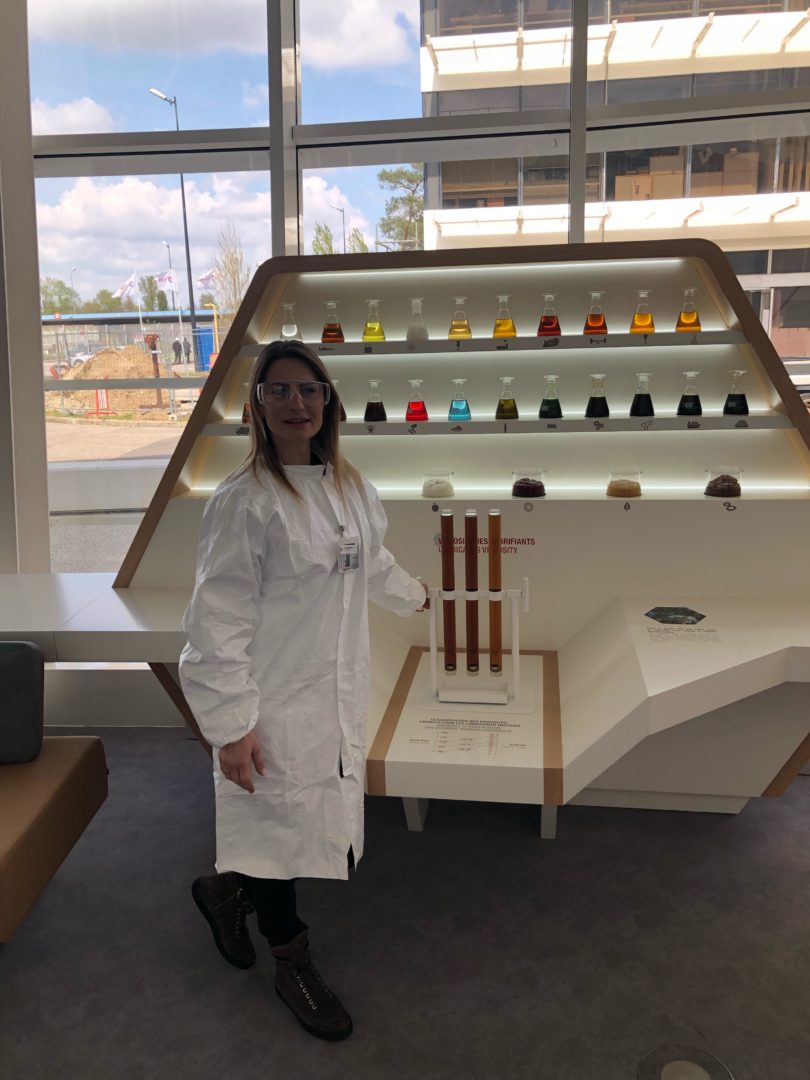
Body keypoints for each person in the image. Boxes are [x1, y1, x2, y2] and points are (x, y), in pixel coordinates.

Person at [179, 340, 427, 1041]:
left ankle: (224, 891)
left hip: (333, 691)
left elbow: (369, 560)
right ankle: (291, 959)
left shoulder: (350, 487)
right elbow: (215, 623)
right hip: (269, 700)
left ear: (329, 403)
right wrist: (230, 727)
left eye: (309, 390)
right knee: (276, 828)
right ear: (257, 407)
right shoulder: (245, 503)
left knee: (297, 822)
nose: (297, 404)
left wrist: (416, 596)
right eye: (279, 391)